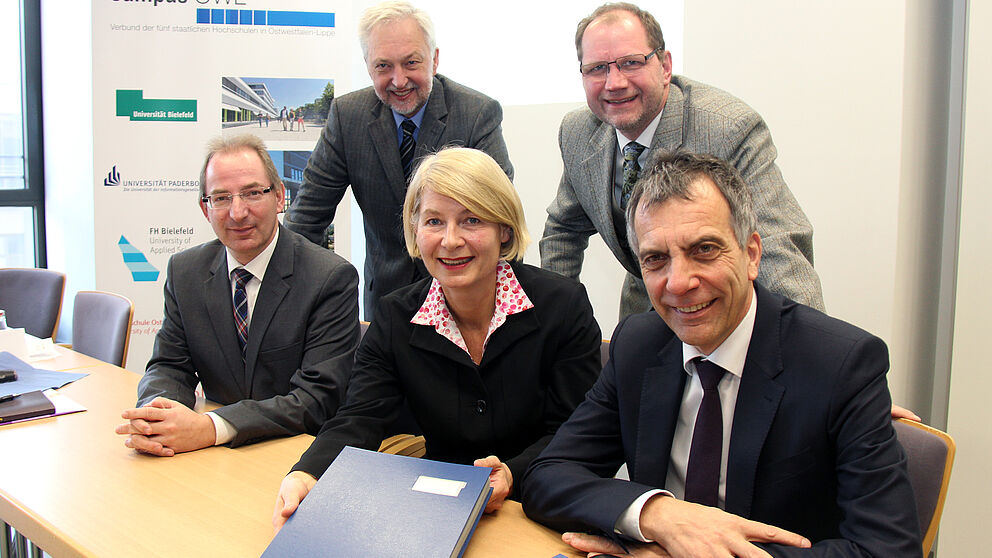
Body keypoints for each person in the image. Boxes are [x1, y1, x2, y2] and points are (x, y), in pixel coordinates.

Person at [522, 151, 921, 557]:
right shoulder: (639, 345)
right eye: (656, 259)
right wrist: (656, 515)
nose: (678, 283)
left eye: (705, 249)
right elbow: (548, 476)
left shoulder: (842, 365)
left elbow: (887, 550)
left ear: (751, 255)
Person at [272, 147, 601, 529]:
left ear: (504, 229)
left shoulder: (562, 304)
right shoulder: (397, 316)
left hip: (542, 504)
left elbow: (578, 430)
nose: (450, 240)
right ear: (415, 231)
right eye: (433, 222)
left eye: (471, 220)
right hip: (438, 512)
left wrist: (512, 473)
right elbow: (360, 416)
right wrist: (306, 474)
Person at [541, 2, 824, 319]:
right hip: (644, 315)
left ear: (664, 66)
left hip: (722, 314)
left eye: (631, 63)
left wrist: (806, 345)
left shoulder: (727, 128)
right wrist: (558, 323)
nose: (614, 83)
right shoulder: (578, 132)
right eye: (597, 68)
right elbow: (563, 230)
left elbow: (776, 244)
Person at [114, 134, 361, 456]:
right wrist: (158, 415)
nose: (238, 212)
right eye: (221, 198)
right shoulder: (185, 271)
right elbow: (169, 365)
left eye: (252, 193)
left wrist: (209, 427)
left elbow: (317, 398)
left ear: (280, 197)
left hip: (296, 452)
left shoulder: (329, 278)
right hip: (216, 456)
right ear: (205, 209)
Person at [284, 1, 513, 319]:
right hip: (386, 307)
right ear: (367, 65)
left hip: (467, 301)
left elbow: (500, 220)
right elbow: (306, 221)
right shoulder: (347, 116)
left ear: (434, 60)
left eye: (411, 63)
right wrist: (301, 302)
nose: (399, 80)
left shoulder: (476, 114)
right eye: (383, 66)